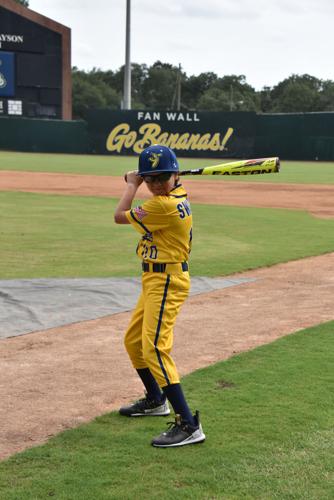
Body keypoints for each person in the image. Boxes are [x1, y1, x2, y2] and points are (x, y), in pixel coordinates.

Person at [114, 144, 205, 448]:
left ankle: (189, 424)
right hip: (155, 278)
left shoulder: (162, 206)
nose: (154, 185)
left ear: (175, 175)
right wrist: (145, 181)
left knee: (153, 347)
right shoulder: (175, 196)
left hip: (167, 279)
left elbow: (119, 216)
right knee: (133, 340)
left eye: (161, 178)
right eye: (150, 179)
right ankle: (156, 399)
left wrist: (132, 184)